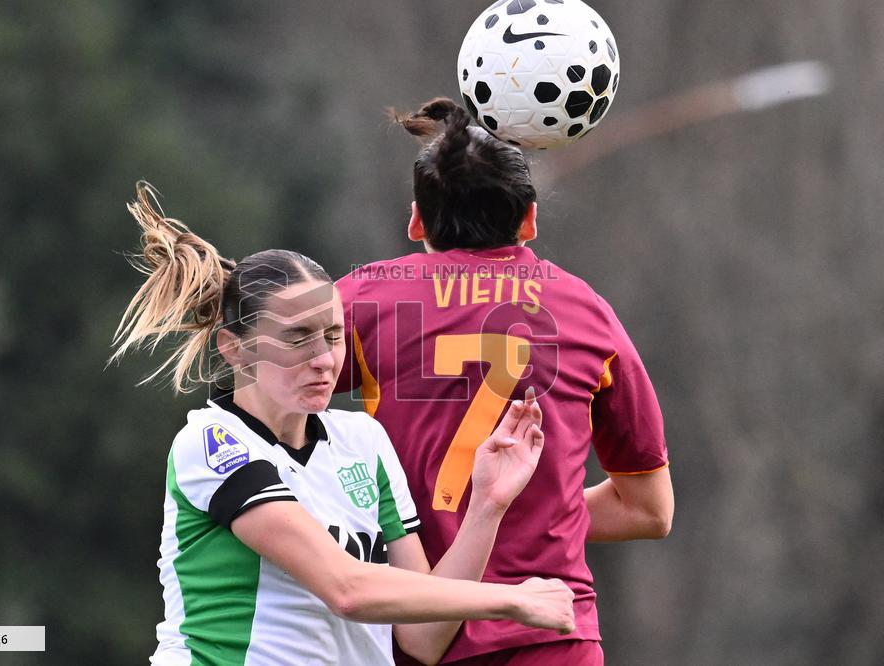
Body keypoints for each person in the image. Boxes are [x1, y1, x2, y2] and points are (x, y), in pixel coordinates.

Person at [109, 182, 576, 666]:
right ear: (233, 347)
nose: (324, 360)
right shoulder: (211, 444)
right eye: (296, 338)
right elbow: (346, 589)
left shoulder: (363, 441)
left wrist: (486, 505)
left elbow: (424, 638)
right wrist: (513, 599)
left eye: (333, 335)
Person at [334, 98, 675, 665]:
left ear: (417, 218)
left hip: (409, 635)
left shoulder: (363, 299)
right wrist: (539, 517)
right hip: (550, 639)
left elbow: (271, 406)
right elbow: (649, 510)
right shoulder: (586, 310)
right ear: (530, 219)